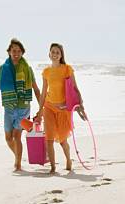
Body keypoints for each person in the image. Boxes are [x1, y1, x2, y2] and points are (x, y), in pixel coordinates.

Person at [0, 38, 41, 171]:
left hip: (23, 107)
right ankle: (18, 156)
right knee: (8, 138)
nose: (16, 53)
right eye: (13, 50)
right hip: (9, 107)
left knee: (17, 136)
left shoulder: (27, 69)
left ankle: (17, 164)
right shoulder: (2, 69)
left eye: (18, 51)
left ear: (22, 52)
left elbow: (35, 88)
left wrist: (42, 107)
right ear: (9, 52)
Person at [35, 43, 86, 174]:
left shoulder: (67, 69)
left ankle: (68, 159)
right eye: (53, 52)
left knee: (63, 141)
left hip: (63, 109)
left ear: (61, 55)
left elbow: (75, 88)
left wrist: (81, 108)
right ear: (49, 54)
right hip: (49, 107)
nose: (55, 54)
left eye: (58, 52)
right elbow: (43, 92)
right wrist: (39, 110)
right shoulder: (46, 72)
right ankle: (52, 167)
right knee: (49, 139)